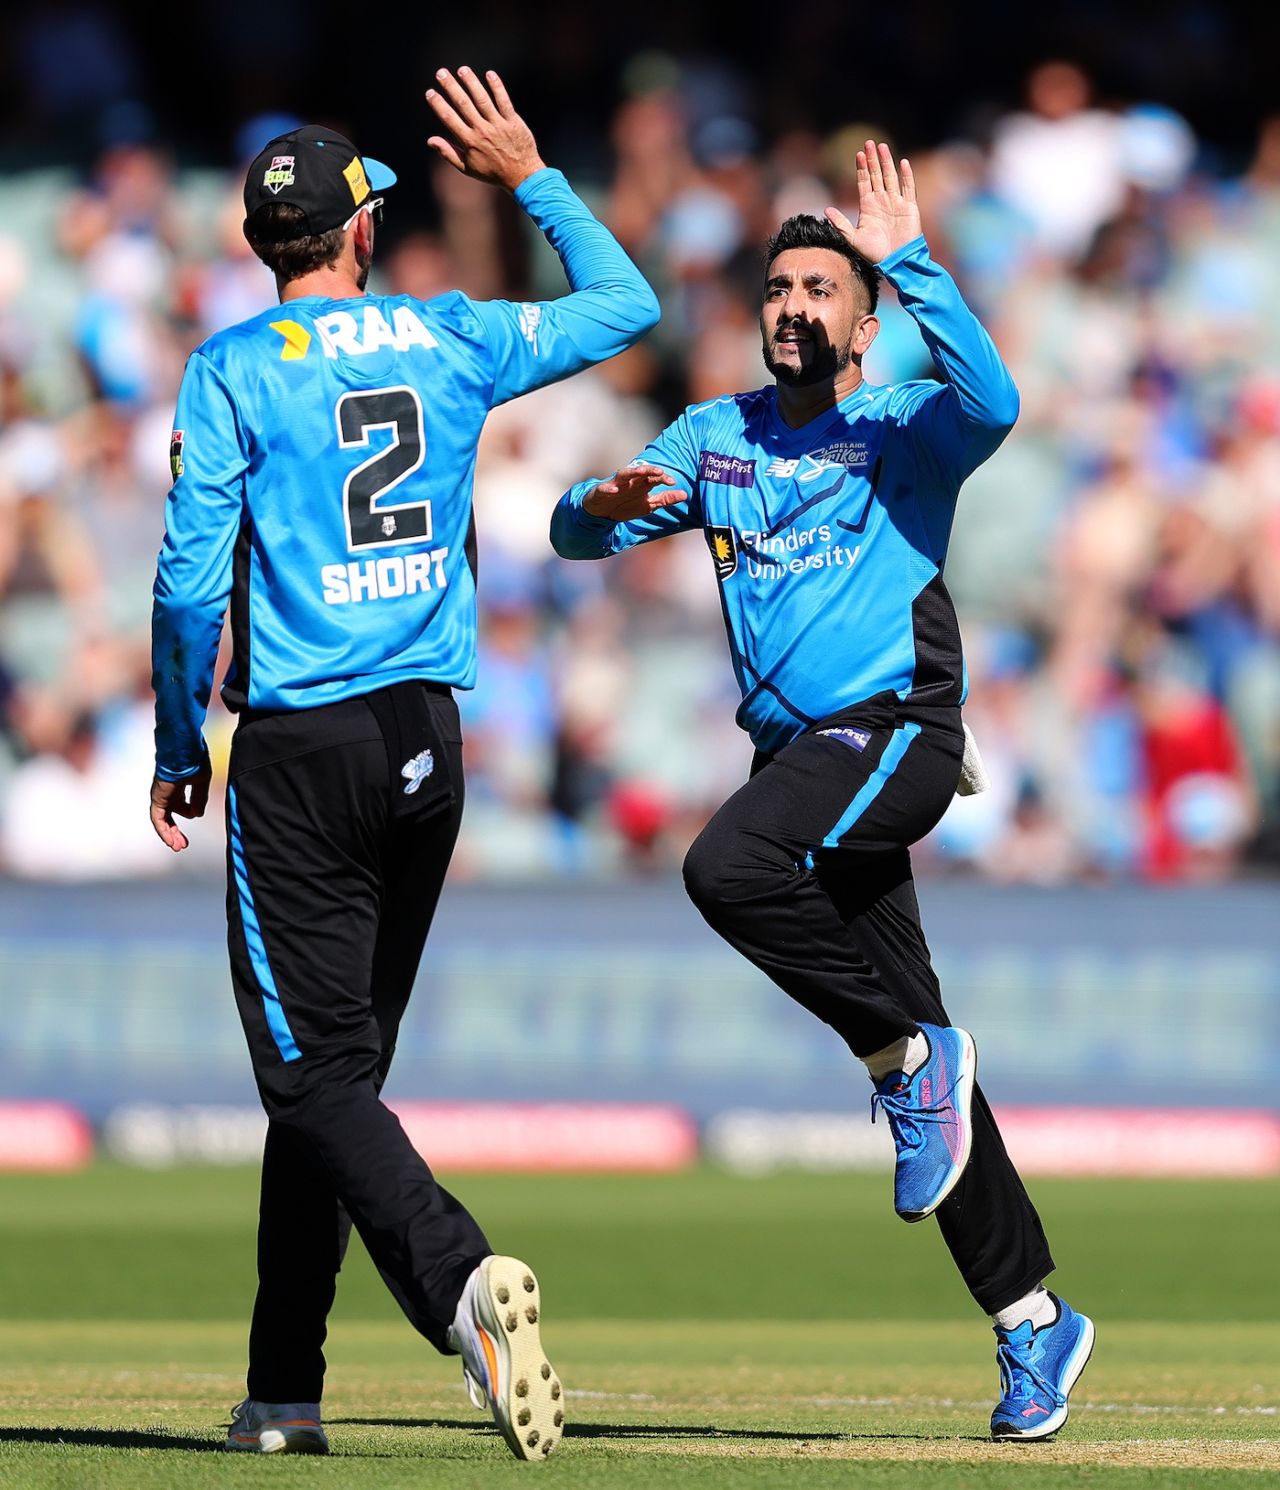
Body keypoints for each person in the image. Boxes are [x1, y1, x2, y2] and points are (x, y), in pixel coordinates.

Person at [148, 68, 660, 1461]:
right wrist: (533, 177)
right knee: (333, 1078)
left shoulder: (235, 367)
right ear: (358, 229)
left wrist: (175, 733)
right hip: (428, 737)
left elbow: (192, 583)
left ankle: (457, 1282)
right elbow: (628, 307)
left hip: (304, 744)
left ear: (269, 247)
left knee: (313, 1080)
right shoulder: (445, 332)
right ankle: (284, 1387)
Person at [551, 141, 1094, 1441]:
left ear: (860, 324)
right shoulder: (716, 436)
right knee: (930, 1083)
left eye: (819, 290)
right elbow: (580, 533)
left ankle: (906, 1057)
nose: (793, 304)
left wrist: (909, 258)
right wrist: (593, 504)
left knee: (725, 870)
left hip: (897, 725)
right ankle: (1034, 1321)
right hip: (804, 760)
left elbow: (999, 400)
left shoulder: (904, 428)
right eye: (778, 287)